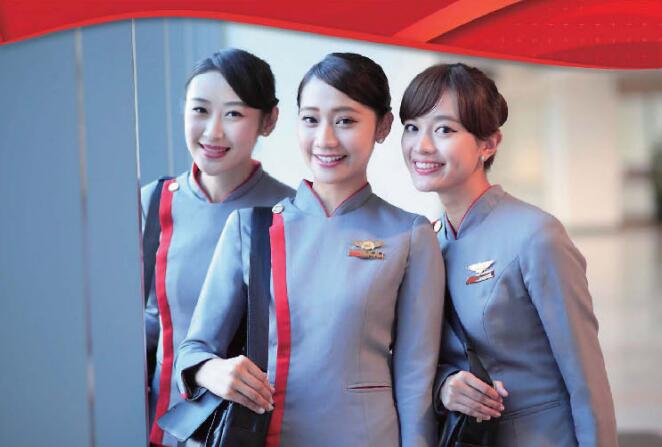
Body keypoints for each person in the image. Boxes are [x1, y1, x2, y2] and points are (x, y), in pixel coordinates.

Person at [176, 53, 444, 447]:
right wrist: (212, 371)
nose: (325, 139)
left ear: (383, 126)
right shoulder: (251, 228)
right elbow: (193, 350)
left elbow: (415, 380)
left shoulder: (410, 234)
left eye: (345, 121)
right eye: (311, 119)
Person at [399, 62, 618, 447]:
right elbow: (419, 357)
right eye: (412, 127)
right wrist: (445, 386)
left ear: (489, 144)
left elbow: (587, 380)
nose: (422, 146)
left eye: (444, 129)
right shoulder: (428, 242)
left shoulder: (536, 235)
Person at [142, 48, 294, 446]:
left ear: (269, 121)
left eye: (233, 114)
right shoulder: (152, 204)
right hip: (158, 430)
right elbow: (146, 323)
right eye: (200, 110)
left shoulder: (292, 212)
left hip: (246, 433)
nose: (212, 132)